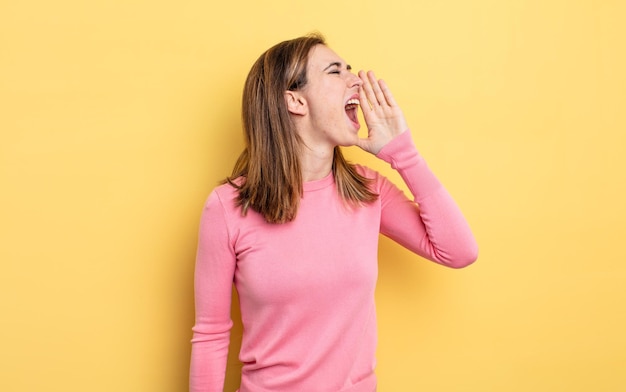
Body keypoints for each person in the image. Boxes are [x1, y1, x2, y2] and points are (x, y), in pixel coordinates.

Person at [190, 33, 478, 392]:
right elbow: (212, 335)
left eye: (349, 69)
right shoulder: (227, 208)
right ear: (295, 100)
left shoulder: (367, 190)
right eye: (335, 71)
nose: (355, 79)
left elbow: (459, 251)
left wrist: (403, 153)